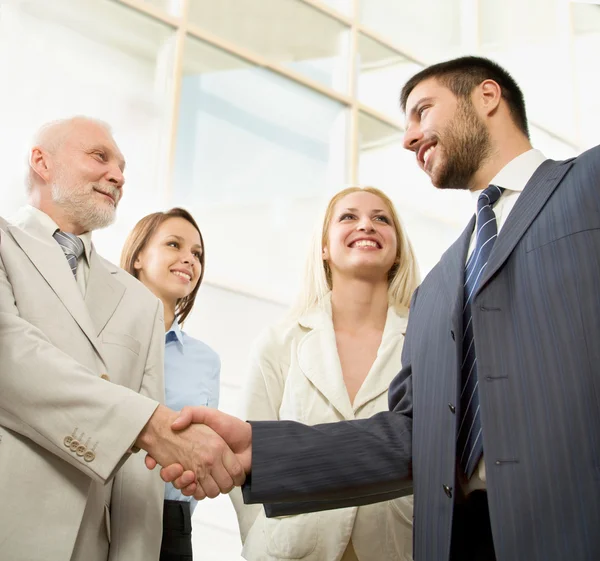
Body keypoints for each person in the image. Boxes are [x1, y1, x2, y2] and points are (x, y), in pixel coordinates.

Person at [158, 56, 600, 561]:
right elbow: (411, 438)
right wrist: (264, 451)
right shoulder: (437, 290)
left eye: (422, 111)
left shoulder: (589, 186)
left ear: (487, 96)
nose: (409, 138)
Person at [0, 116, 243, 561]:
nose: (118, 175)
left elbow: (140, 474)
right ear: (41, 161)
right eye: (100, 157)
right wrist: (148, 425)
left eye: (123, 166)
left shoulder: (139, 302)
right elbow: (9, 357)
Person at [230, 186, 419, 561]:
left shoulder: (425, 340)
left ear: (397, 250)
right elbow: (247, 453)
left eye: (381, 219)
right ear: (324, 247)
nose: (366, 225)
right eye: (348, 217)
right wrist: (262, 541)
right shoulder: (280, 341)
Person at [121, 208, 221, 561]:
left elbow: (199, 455)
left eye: (197, 254)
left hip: (171, 523)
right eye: (174, 245)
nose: (188, 259)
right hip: (101, 507)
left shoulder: (205, 361)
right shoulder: (99, 338)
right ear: (137, 258)